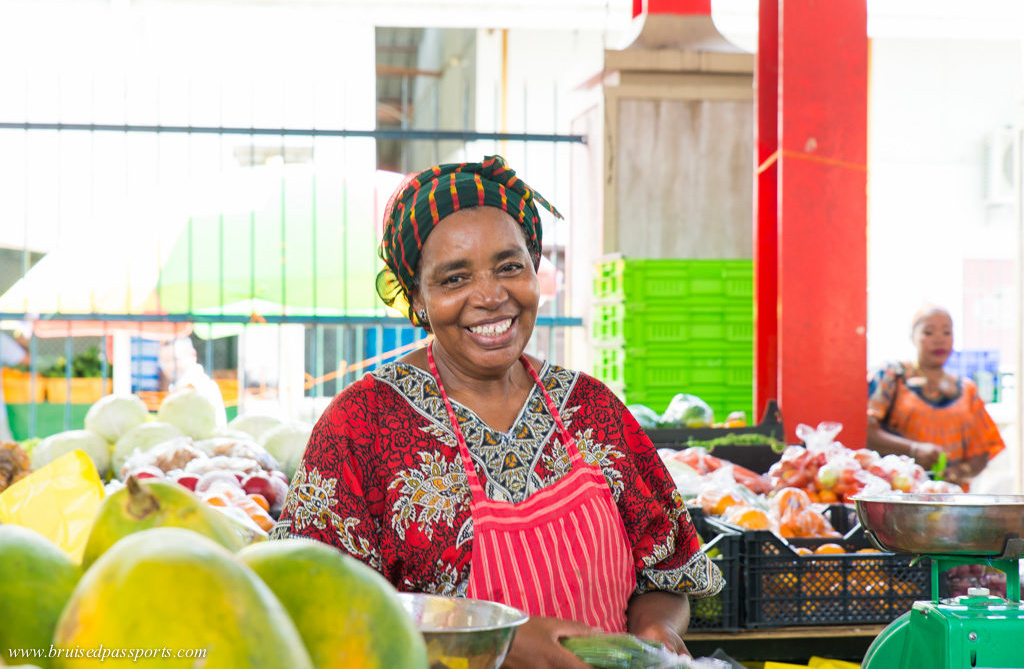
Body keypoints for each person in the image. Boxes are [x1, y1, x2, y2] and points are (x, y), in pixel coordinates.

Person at [271, 155, 723, 666]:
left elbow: (668, 576)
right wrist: (495, 641)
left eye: (510, 267)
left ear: (535, 271)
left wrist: (655, 629)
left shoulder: (593, 411)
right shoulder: (360, 426)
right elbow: (311, 608)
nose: (490, 296)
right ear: (416, 298)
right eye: (454, 278)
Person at [867, 304, 1004, 489]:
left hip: (950, 501)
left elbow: (983, 450)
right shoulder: (892, 376)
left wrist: (959, 472)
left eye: (947, 333)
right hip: (897, 494)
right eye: (929, 332)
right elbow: (867, 431)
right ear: (912, 337)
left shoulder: (966, 390)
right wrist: (913, 450)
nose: (939, 340)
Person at [158, 337, 227, 428]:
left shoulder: (200, 386)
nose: (170, 366)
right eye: (165, 361)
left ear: (193, 355)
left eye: (175, 359)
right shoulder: (180, 386)